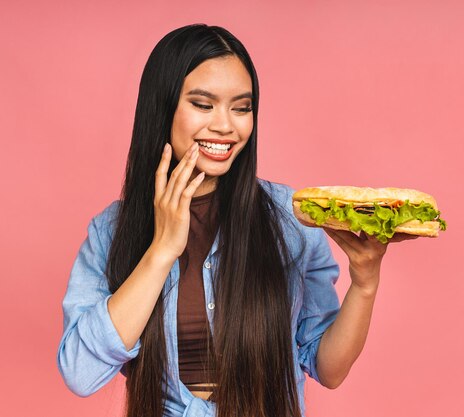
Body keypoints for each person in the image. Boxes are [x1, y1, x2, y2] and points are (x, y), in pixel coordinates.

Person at [57, 24, 415, 417]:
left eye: (241, 108)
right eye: (203, 104)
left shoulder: (290, 219)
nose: (226, 125)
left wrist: (365, 283)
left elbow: (327, 368)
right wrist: (161, 251)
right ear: (162, 108)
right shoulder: (112, 232)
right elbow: (80, 372)